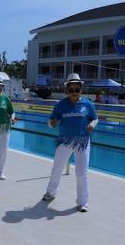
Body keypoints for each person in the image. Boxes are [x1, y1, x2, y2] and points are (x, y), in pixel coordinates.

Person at [42, 73, 98, 212]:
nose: (74, 92)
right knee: (57, 168)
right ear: (66, 90)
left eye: (76, 89)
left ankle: (82, 202)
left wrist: (92, 125)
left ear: (81, 89)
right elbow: (51, 120)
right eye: (71, 89)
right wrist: (51, 123)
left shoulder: (88, 104)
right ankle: (51, 192)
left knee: (81, 173)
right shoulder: (60, 105)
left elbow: (95, 118)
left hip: (82, 141)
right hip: (64, 141)